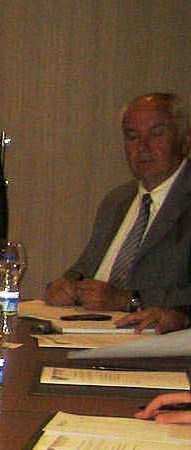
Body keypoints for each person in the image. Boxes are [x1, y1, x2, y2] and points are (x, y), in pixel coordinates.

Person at [45, 93, 191, 335]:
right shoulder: (117, 201)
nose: (143, 147)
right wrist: (63, 285)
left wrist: (128, 300)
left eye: (156, 134)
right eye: (133, 137)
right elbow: (83, 269)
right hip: (87, 330)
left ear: (185, 139)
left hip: (151, 340)